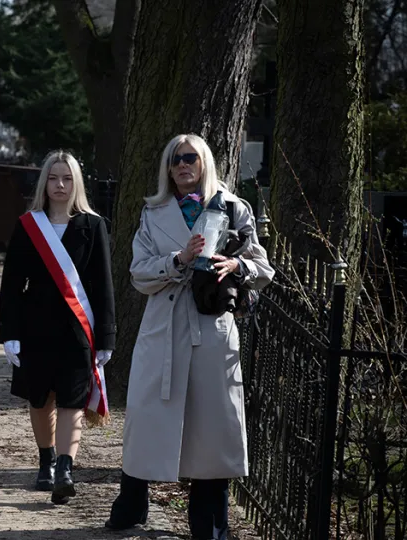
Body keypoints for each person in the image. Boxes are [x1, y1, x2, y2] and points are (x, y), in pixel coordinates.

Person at [104, 134, 274, 539]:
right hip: (163, 324)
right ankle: (131, 505)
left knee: (212, 428)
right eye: (175, 160)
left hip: (211, 328)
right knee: (147, 420)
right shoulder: (154, 211)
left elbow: (263, 268)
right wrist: (177, 260)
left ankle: (210, 523)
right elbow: (139, 273)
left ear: (205, 164)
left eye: (190, 159)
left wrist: (234, 265)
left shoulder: (233, 207)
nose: (182, 166)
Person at [0, 151, 115, 505]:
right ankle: (46, 459)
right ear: (44, 183)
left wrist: (106, 336)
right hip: (35, 328)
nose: (60, 185)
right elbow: (12, 284)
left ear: (76, 183)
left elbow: (103, 285)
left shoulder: (93, 226)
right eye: (53, 178)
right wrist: (9, 333)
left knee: (72, 401)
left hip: (78, 330)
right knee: (40, 399)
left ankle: (65, 468)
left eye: (67, 178)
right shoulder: (27, 225)